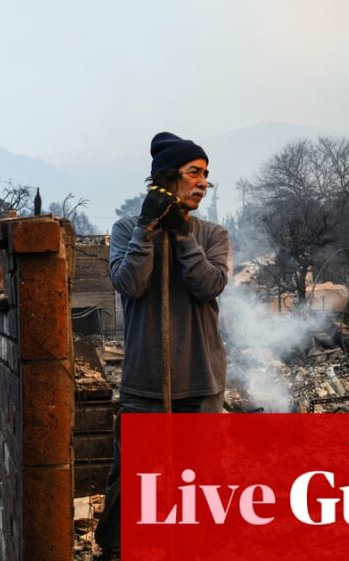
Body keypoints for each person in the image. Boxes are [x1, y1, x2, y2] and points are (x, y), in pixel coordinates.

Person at [95, 132, 232, 557]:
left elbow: (209, 285)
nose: (204, 182)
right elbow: (129, 285)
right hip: (145, 383)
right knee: (134, 483)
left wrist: (184, 236)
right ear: (168, 179)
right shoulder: (125, 230)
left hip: (200, 381)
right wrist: (146, 230)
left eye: (207, 174)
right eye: (194, 172)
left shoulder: (212, 234)